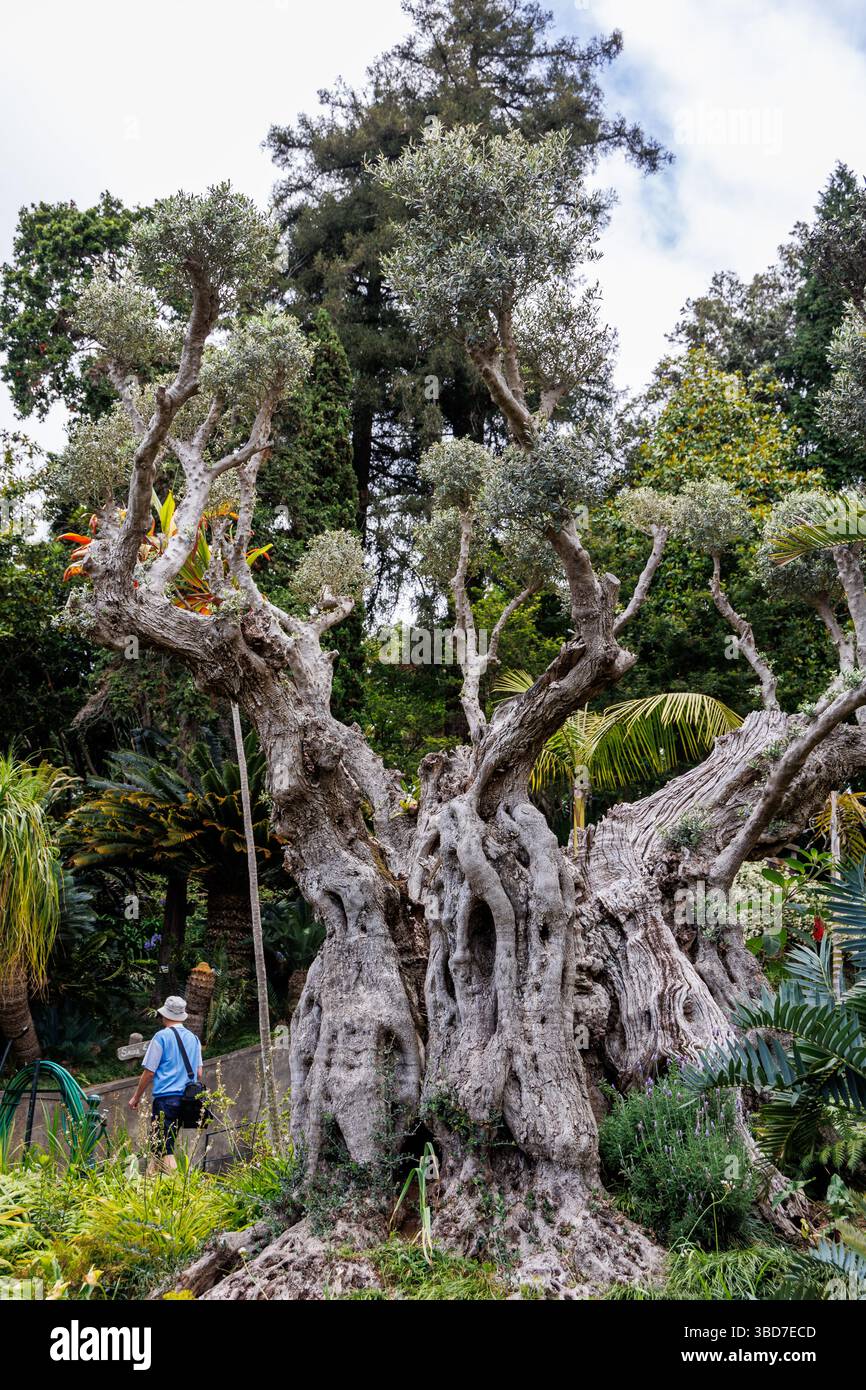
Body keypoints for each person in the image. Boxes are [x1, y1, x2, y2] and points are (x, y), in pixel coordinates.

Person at [128, 996, 203, 1170]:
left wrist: (136, 1097)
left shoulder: (161, 1037)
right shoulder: (194, 1039)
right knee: (158, 1147)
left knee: (164, 1149)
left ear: (165, 1015)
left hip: (166, 1100)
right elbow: (198, 1073)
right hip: (187, 1101)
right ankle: (151, 1185)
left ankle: (180, 1188)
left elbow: (149, 1072)